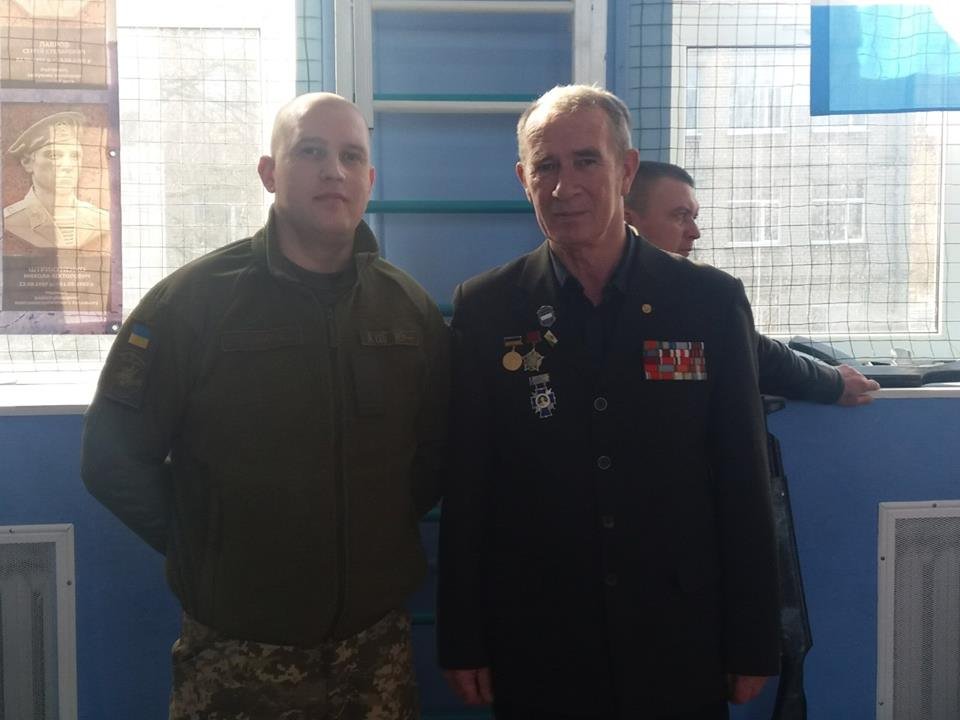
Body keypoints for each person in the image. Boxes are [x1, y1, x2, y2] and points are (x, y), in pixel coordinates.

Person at [81, 92, 450, 719]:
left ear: (369, 180)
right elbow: (111, 460)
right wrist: (206, 546)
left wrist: (371, 531)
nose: (333, 171)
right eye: (311, 151)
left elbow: (437, 453)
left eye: (350, 156)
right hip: (235, 658)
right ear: (269, 172)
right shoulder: (192, 304)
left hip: (374, 657)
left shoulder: (407, 310)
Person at [437, 84, 780, 720]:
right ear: (524, 180)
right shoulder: (487, 308)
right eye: (546, 166)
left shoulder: (707, 302)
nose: (564, 186)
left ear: (625, 170)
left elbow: (743, 477)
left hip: (678, 634)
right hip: (539, 639)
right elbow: (468, 485)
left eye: (586, 161)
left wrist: (756, 636)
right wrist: (462, 636)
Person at [624, 160, 880, 406]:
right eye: (680, 216)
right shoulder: (691, 296)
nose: (695, 232)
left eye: (694, 217)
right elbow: (746, 357)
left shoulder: (701, 294)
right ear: (628, 222)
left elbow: (746, 353)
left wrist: (831, 381)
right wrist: (831, 382)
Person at [3, 111, 110, 254]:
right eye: (53, 155)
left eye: (75, 156)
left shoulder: (101, 220)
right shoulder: (10, 220)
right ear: (27, 163)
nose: (67, 165)